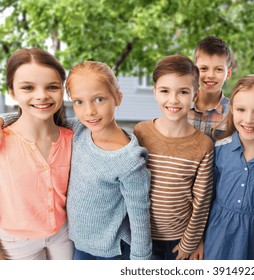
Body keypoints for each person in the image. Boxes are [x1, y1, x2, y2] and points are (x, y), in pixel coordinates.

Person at [0, 61, 152, 260]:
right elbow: (34, 117)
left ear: (118, 98)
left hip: (112, 250)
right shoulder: (79, 129)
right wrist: (4, 120)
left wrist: (141, 261)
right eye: (79, 102)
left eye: (99, 99)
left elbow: (140, 216)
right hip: (78, 245)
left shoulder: (130, 159)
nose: (89, 111)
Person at [133, 54, 214, 260]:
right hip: (140, 236)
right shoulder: (141, 132)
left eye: (183, 92)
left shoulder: (203, 145)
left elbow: (201, 202)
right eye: (165, 91)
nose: (173, 100)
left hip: (178, 241)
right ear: (155, 93)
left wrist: (190, 242)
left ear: (195, 95)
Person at [0, 48, 74, 260]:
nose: (41, 95)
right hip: (15, 242)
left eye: (52, 87)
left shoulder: (73, 138)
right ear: (12, 92)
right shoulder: (3, 140)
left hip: (62, 233)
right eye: (28, 88)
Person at [202, 74, 254, 260]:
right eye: (241, 109)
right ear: (231, 109)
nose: (249, 119)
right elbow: (204, 201)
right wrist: (197, 242)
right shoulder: (218, 150)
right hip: (215, 241)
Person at [188, 35, 233, 141]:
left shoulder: (233, 113)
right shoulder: (182, 105)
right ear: (194, 71)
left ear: (228, 74)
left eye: (218, 69)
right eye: (204, 68)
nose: (211, 75)